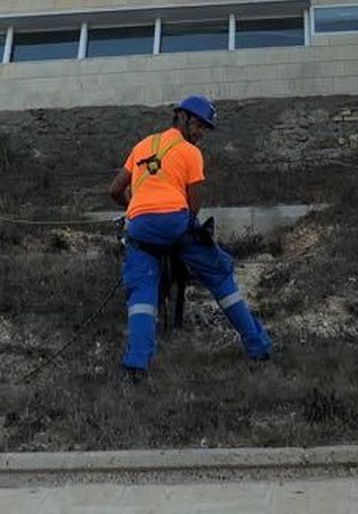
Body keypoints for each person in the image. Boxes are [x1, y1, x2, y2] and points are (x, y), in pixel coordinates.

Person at [108, 94, 272, 380]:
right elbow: (194, 204)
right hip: (175, 223)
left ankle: (136, 366)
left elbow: (114, 189)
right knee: (221, 277)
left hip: (139, 227)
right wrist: (181, 226)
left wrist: (137, 208)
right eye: (201, 127)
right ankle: (259, 348)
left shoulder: (143, 145)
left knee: (142, 294)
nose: (202, 134)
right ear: (185, 119)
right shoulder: (190, 152)